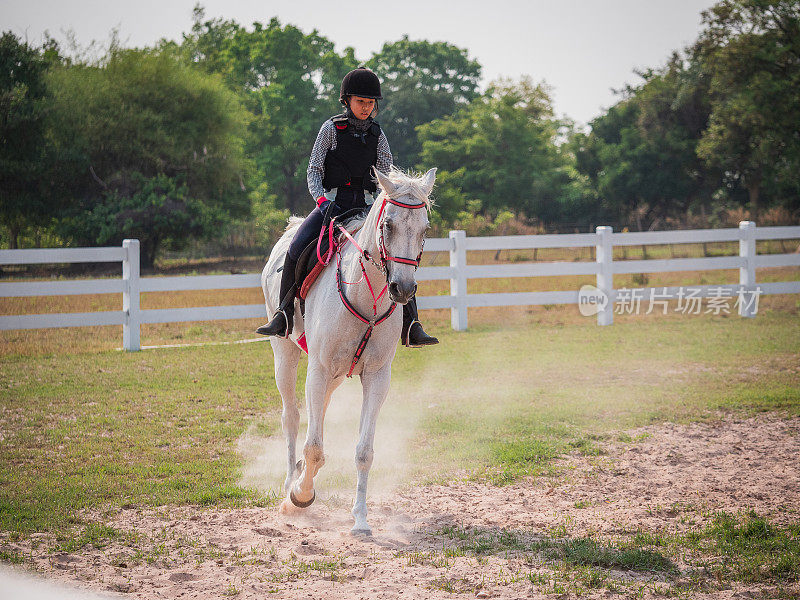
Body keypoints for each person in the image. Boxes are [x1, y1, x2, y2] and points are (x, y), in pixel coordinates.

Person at [256, 66, 438, 348]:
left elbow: (386, 175)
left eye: (370, 103)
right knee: (295, 248)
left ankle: (412, 324)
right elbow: (314, 169)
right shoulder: (330, 129)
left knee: (397, 254)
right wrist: (321, 200)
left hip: (367, 208)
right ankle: (283, 314)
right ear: (347, 101)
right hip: (332, 204)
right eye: (360, 102)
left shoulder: (379, 135)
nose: (366, 108)